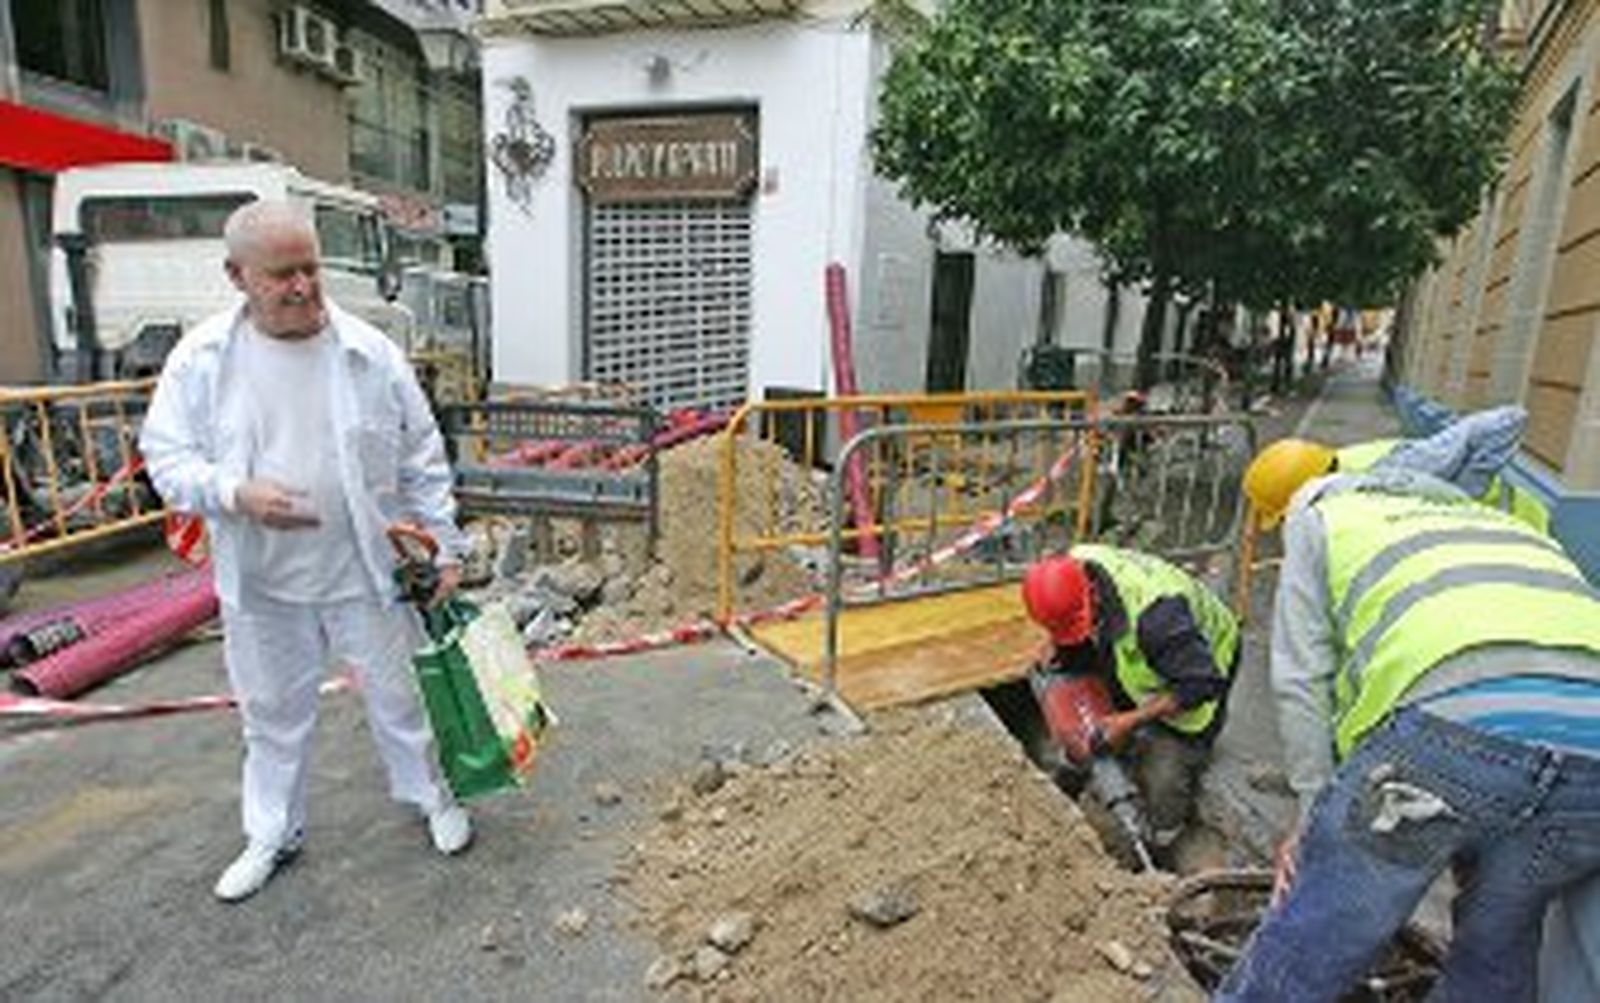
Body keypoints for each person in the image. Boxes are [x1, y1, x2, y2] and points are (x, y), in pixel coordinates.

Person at [140, 200, 471, 903]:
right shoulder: (201, 360)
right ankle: (271, 832)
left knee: (399, 694)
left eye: (310, 267)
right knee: (271, 713)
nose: (302, 286)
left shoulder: (368, 352)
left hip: (363, 568)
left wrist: (444, 544)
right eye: (282, 273)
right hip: (262, 580)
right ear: (238, 275)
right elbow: (165, 458)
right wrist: (233, 492)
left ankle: (431, 797)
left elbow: (421, 453)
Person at [1216, 462, 1600, 1002]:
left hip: (1457, 727)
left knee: (1316, 939)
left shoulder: (1321, 518)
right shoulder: (1495, 520)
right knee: (1496, 953)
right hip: (1593, 758)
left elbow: (1301, 680)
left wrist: (1312, 815)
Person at [1021, 544, 1238, 854]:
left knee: (1165, 777)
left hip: (1202, 661)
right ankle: (1072, 780)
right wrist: (1056, 644)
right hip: (1147, 644)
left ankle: (1159, 844)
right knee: (1112, 700)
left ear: (1092, 596)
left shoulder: (1157, 618)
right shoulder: (1075, 566)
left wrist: (1130, 720)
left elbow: (1201, 685)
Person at [1243, 403, 1528, 525]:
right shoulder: (1351, 480)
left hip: (1515, 523)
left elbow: (1508, 420)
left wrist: (1461, 504)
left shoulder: (1394, 471)